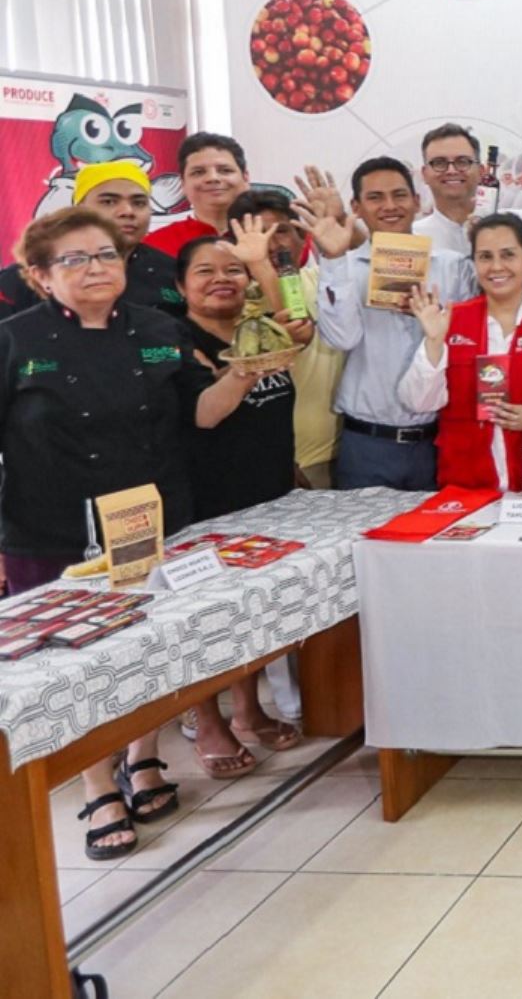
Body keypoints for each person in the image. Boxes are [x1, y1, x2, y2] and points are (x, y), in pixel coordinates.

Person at [0, 208, 268, 857]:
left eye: (107, 255)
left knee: (149, 645)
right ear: (39, 273)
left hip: (150, 522)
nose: (96, 268)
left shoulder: (157, 328)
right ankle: (96, 785)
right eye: (77, 258)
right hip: (50, 528)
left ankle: (142, 756)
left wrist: (242, 373)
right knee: (74, 661)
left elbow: (202, 415)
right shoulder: (13, 339)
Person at [176, 236, 306, 776]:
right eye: (205, 271)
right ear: (182, 285)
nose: (222, 279)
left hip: (270, 491)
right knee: (204, 617)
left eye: (233, 269)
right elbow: (204, 417)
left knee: (253, 613)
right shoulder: (176, 340)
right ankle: (209, 721)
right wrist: (244, 369)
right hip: (206, 500)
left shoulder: (259, 329)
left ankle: (249, 711)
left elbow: (273, 413)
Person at [300, 157, 476, 490]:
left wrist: (439, 324)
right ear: (356, 207)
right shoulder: (344, 267)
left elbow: (473, 344)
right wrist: (334, 258)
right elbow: (341, 339)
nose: (390, 206)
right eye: (375, 198)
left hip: (438, 441)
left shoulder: (452, 267)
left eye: (399, 195)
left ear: (417, 201)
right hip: (368, 443)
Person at [401, 214, 522, 490]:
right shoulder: (450, 319)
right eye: (484, 257)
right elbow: (418, 402)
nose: (496, 267)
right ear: (474, 264)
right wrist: (434, 341)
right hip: (465, 482)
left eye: (508, 255)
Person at [227, 185, 343, 491]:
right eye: (258, 233)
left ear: (302, 236)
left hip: (331, 456)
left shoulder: (325, 281)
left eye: (281, 230)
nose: (271, 242)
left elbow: (299, 327)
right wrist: (259, 266)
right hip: (262, 462)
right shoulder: (230, 301)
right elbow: (291, 335)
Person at [0, 160, 183, 319]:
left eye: (139, 203)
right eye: (109, 202)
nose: (128, 211)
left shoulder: (173, 272)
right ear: (80, 209)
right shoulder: (26, 277)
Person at [412, 123, 522, 256]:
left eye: (462, 161)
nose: (451, 170)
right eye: (439, 163)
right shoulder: (413, 237)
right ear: (424, 174)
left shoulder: (518, 224)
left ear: (481, 171)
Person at [142, 132, 252, 256]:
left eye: (225, 170)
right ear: (183, 184)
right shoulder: (155, 245)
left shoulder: (272, 235)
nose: (212, 178)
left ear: (245, 177)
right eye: (198, 172)